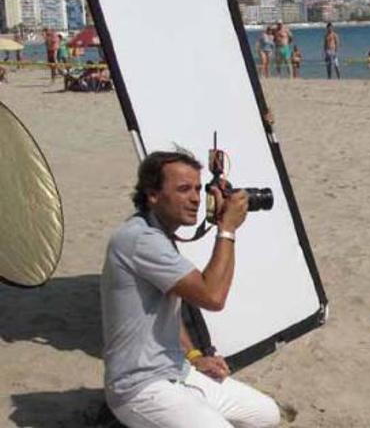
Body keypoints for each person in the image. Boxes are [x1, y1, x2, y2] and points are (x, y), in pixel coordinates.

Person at [101, 151, 281, 427]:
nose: (196, 198)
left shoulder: (159, 233)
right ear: (153, 195)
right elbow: (213, 297)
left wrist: (195, 355)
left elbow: (166, 307)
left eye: (198, 188)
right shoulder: (141, 240)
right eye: (183, 189)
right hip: (139, 386)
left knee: (267, 415)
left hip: (177, 370)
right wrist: (227, 229)